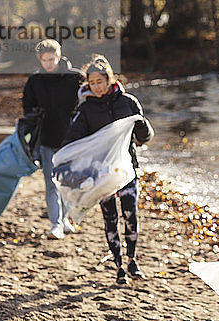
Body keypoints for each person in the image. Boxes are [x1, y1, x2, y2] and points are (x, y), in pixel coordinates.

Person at [64, 55, 154, 285]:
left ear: (109, 79)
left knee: (130, 214)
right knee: (110, 218)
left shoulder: (128, 102)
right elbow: (73, 141)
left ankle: (132, 260)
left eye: (99, 82)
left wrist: (142, 126)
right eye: (91, 83)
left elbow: (144, 139)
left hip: (127, 170)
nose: (96, 87)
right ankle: (118, 266)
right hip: (101, 175)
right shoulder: (85, 110)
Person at [22, 39, 83, 239]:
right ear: (40, 59)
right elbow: (28, 107)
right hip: (46, 139)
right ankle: (56, 225)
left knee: (68, 183)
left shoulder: (75, 78)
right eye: (44, 60)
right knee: (50, 183)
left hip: (71, 140)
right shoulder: (35, 80)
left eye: (52, 59)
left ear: (59, 56)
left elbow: (86, 104)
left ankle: (65, 219)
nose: (48, 63)